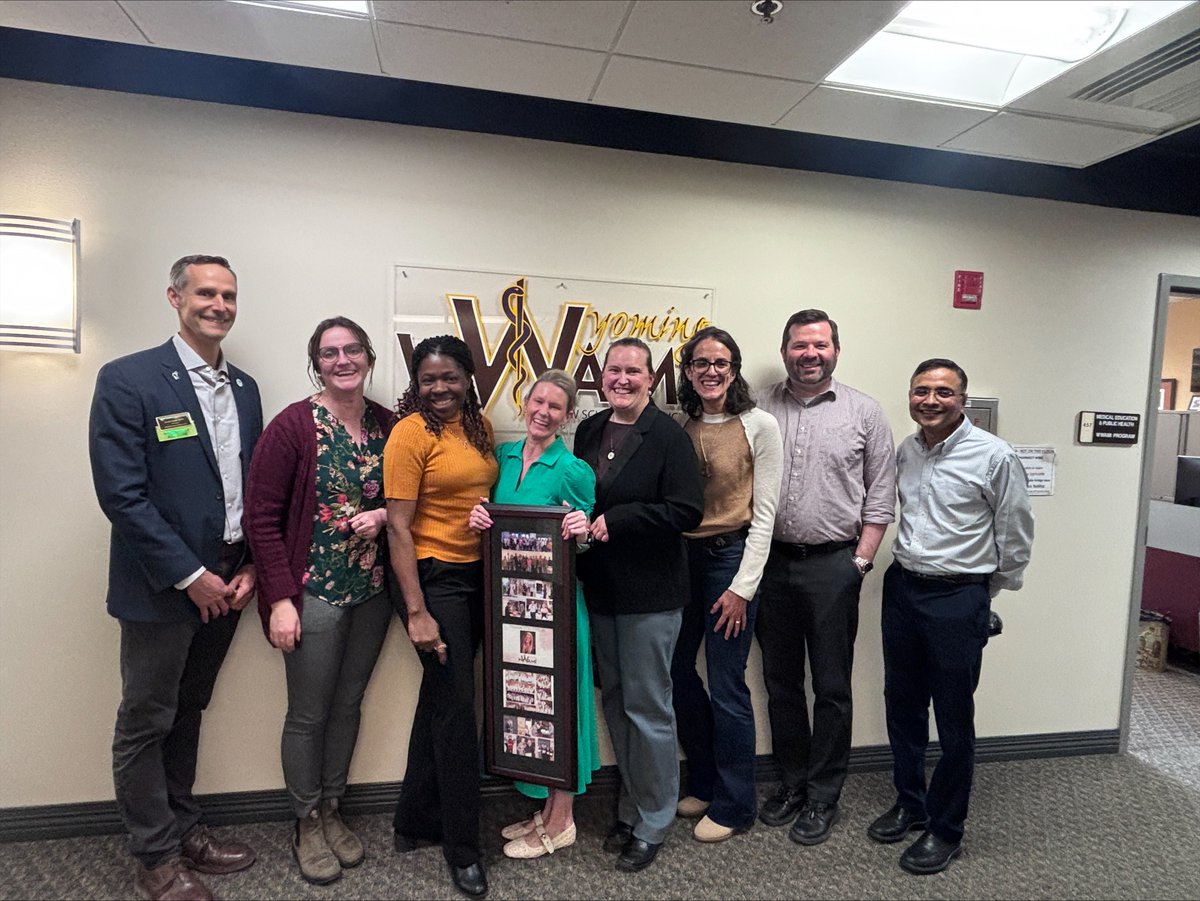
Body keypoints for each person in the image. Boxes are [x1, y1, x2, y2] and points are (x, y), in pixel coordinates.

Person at [88, 255, 261, 901]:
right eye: (206, 292)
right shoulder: (129, 378)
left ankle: (184, 826)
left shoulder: (244, 388)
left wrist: (245, 568)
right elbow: (122, 494)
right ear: (175, 297)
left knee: (189, 709)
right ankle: (156, 856)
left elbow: (248, 489)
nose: (219, 303)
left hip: (227, 585)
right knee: (146, 716)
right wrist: (191, 575)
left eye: (229, 294)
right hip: (162, 587)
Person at [243, 317, 396, 885]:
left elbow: (409, 496)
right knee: (309, 713)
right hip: (314, 592)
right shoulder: (293, 426)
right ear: (317, 363)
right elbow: (259, 518)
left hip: (373, 592)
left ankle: (334, 808)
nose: (342, 360)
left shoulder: (387, 424)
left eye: (352, 349)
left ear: (368, 356)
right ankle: (306, 819)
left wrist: (382, 514)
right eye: (329, 353)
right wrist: (281, 598)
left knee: (350, 702)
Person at [869, 358, 1033, 875]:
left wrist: (984, 597)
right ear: (911, 396)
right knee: (902, 704)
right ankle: (910, 803)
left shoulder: (995, 456)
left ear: (962, 399)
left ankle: (946, 830)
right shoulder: (907, 450)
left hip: (959, 597)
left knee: (954, 718)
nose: (931, 400)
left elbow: (1016, 538)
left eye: (944, 392)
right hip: (903, 588)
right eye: (922, 391)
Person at [756, 308, 896, 845]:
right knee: (781, 683)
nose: (808, 354)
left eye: (819, 345)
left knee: (832, 687)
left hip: (835, 566)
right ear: (785, 349)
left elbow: (881, 493)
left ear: (835, 350)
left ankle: (823, 795)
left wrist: (859, 562)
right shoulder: (762, 406)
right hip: (770, 566)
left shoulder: (865, 413)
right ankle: (792, 784)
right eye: (798, 345)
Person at [573, 338, 704, 872]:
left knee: (649, 710)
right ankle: (631, 806)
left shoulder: (668, 436)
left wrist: (619, 521)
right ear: (601, 377)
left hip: (651, 596)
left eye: (633, 371)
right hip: (600, 590)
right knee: (617, 704)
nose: (622, 379)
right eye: (613, 370)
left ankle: (655, 819)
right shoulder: (589, 429)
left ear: (652, 379)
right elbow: (580, 495)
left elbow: (687, 510)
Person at [466, 369, 601, 861]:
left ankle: (562, 820)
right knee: (531, 705)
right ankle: (544, 810)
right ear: (524, 403)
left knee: (562, 706)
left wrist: (580, 529)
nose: (543, 412)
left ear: (568, 417)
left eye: (556, 407)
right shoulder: (501, 457)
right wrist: (480, 516)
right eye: (537, 402)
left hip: (559, 609)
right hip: (512, 607)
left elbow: (583, 543)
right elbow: (494, 519)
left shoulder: (574, 470)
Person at [384, 335, 498, 899]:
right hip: (431, 579)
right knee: (458, 711)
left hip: (476, 577)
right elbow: (397, 527)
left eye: (450, 377)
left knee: (441, 700)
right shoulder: (410, 433)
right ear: (416, 382)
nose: (439, 388)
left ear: (467, 377)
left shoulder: (477, 428)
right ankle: (464, 848)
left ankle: (414, 819)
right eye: (428, 379)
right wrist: (417, 612)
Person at [669, 327, 783, 842]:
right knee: (675, 671)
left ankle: (736, 804)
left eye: (720, 362)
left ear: (733, 368)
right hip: (681, 562)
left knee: (727, 683)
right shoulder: (680, 424)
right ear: (688, 372)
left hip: (729, 562)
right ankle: (708, 781)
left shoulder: (759, 425)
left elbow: (765, 515)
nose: (710, 371)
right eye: (700, 363)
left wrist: (742, 588)